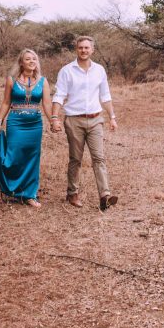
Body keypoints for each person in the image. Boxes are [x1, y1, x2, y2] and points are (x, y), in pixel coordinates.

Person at [51, 36, 119, 211]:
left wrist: (112, 117)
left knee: (99, 157)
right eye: (80, 47)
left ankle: (105, 195)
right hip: (74, 120)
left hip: (96, 119)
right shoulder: (67, 71)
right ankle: (72, 193)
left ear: (92, 50)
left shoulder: (99, 70)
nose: (83, 50)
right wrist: (54, 117)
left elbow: (105, 95)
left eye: (87, 48)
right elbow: (59, 95)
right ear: (76, 49)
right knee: (76, 158)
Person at [0, 48, 53, 208]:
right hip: (16, 123)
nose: (32, 61)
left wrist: (53, 120)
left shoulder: (43, 81)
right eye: (28, 59)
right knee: (12, 157)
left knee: (32, 158)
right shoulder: (12, 80)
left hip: (35, 125)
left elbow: (46, 104)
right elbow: (6, 102)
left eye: (34, 59)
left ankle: (28, 194)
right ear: (21, 62)